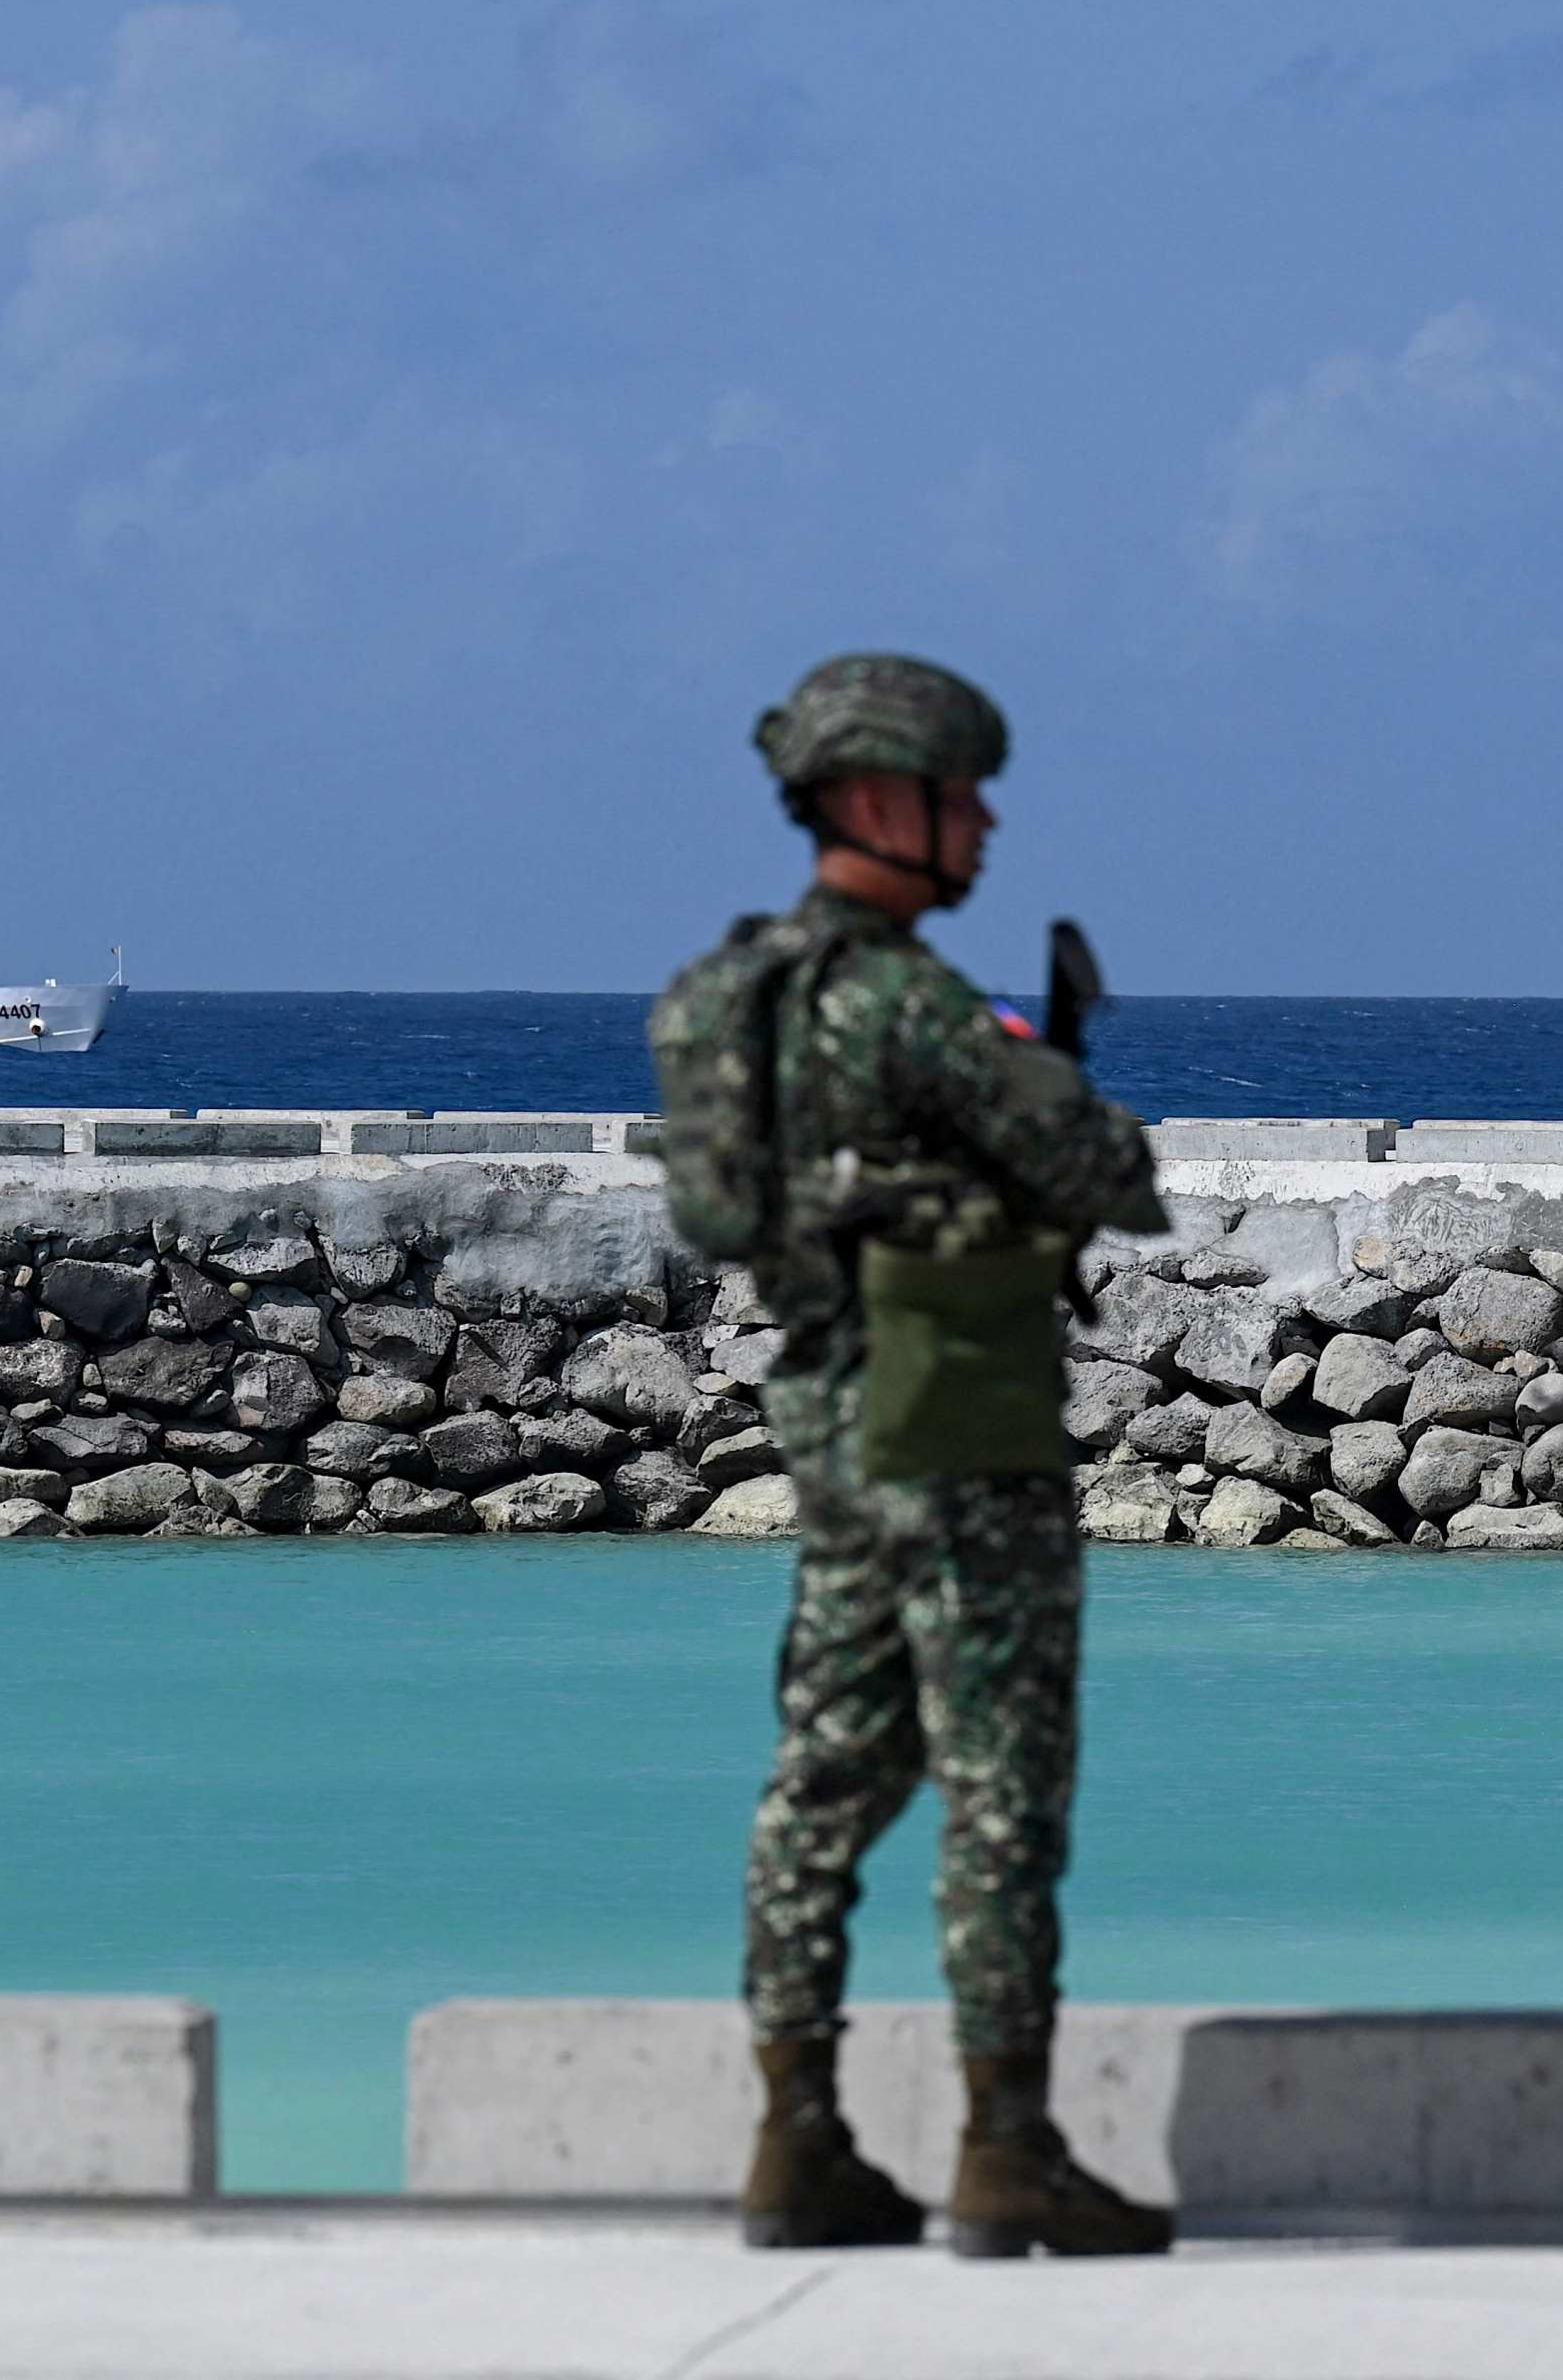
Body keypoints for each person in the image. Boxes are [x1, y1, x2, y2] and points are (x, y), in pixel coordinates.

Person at [647, 652, 1175, 2259]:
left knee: (824, 1771)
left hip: (827, 1412)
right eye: (961, 794)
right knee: (1003, 1779)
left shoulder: (729, 993)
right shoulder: (906, 1003)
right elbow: (1110, 1170)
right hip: (955, 1415)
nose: (988, 820)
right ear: (879, 802)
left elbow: (718, 1210)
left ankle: (793, 2133)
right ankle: (1006, 2142)